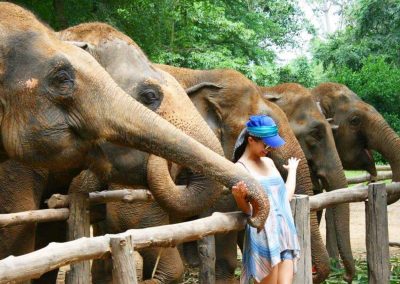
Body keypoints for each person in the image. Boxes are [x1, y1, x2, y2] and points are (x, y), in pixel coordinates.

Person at [231, 114, 301, 284]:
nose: (269, 147)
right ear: (251, 140)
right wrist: (238, 197)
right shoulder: (239, 169)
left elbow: (284, 197)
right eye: (265, 143)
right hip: (264, 234)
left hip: (284, 231)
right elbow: (248, 211)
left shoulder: (269, 163)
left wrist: (292, 170)